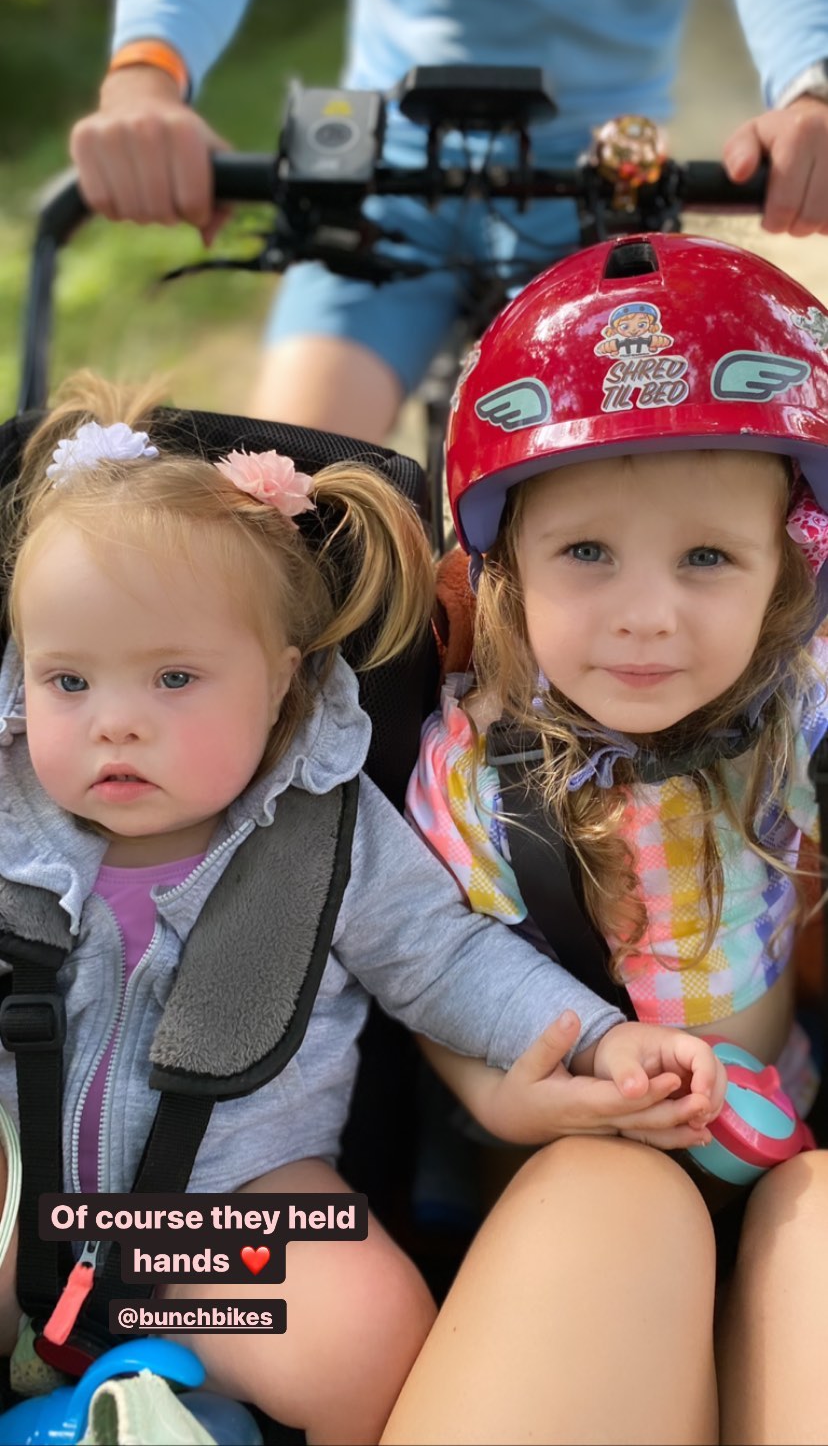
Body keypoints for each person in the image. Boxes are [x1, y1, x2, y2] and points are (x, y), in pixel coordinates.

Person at [0, 372, 727, 1443]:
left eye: (173, 680)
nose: (117, 725)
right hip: (23, 1189)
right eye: (70, 682)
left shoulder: (326, 829)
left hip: (222, 1210)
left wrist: (600, 1041)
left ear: (282, 679)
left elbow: (446, 960)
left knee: (377, 1338)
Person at [384, 232, 828, 1444]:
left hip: (783, 1126)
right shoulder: (474, 769)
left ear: (784, 576)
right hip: (576, 1141)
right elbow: (434, 972)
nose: (647, 614)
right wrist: (516, 1103)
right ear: (508, 564)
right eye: (587, 551)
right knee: (611, 1202)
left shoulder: (793, 708)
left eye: (706, 558)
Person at [69, 0, 828, 440]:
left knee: (639, 519)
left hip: (599, 185)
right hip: (386, 184)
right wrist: (147, 71)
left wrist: (810, 85)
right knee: (284, 508)